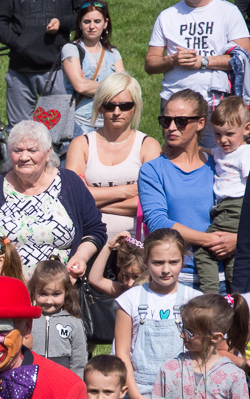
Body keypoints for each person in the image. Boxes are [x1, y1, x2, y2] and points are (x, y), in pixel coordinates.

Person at [0, 120, 106, 279]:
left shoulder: (70, 183)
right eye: (17, 150)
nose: (24, 157)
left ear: (48, 153)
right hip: (5, 286)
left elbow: (95, 230)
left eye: (32, 150)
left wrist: (80, 257)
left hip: (59, 287)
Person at [140, 89, 225, 292]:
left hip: (224, 273)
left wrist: (236, 240)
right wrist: (211, 240)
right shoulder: (152, 170)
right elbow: (158, 223)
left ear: (201, 123)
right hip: (176, 277)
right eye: (166, 121)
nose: (171, 128)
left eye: (180, 121)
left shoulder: (220, 166)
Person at [114, 229, 201, 399]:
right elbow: (122, 354)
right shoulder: (130, 299)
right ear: (146, 262)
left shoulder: (194, 299)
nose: (166, 270)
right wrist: (136, 398)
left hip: (182, 394)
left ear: (183, 260)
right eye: (158, 262)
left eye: (173, 262)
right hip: (138, 393)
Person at [64, 72, 161, 238]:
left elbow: (150, 202)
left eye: (125, 106)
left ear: (135, 107)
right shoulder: (81, 145)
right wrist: (126, 191)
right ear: (100, 107)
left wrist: (92, 202)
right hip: (89, 240)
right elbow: (73, 196)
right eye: (109, 105)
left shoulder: (148, 146)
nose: (117, 112)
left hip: (136, 241)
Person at [147, 0, 250, 150]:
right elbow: (150, 64)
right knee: (178, 155)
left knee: (218, 157)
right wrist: (172, 60)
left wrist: (204, 62)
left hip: (216, 103)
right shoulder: (167, 16)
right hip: (175, 104)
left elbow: (244, 57)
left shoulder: (228, 11)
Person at [194, 97, 250, 292]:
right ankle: (238, 297)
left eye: (229, 134)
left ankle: (210, 296)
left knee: (204, 250)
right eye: (217, 134)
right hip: (223, 209)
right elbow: (206, 150)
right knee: (233, 258)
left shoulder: (245, 154)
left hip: (235, 207)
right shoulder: (220, 151)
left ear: (246, 129)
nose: (223, 140)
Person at [0, 0, 76, 126]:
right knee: (19, 130)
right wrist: (18, 43)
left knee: (58, 129)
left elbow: (85, 14)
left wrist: (61, 23)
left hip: (56, 70)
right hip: (20, 71)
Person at [61, 1, 123, 138]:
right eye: (87, 21)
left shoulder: (113, 53)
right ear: (79, 23)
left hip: (109, 124)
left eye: (97, 21)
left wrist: (90, 85)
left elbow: (125, 89)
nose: (92, 26)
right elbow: (80, 86)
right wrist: (113, 88)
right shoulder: (71, 49)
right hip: (79, 124)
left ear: (105, 23)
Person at [27, 259, 87, 376]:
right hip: (31, 379)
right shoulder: (27, 321)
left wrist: (77, 383)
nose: (49, 301)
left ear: (66, 292)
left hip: (62, 380)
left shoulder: (74, 323)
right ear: (34, 291)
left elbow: (79, 361)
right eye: (43, 294)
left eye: (56, 294)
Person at [87, 229, 147, 299]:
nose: (129, 284)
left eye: (136, 277)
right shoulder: (124, 292)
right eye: (126, 276)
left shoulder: (156, 295)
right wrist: (108, 247)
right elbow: (95, 279)